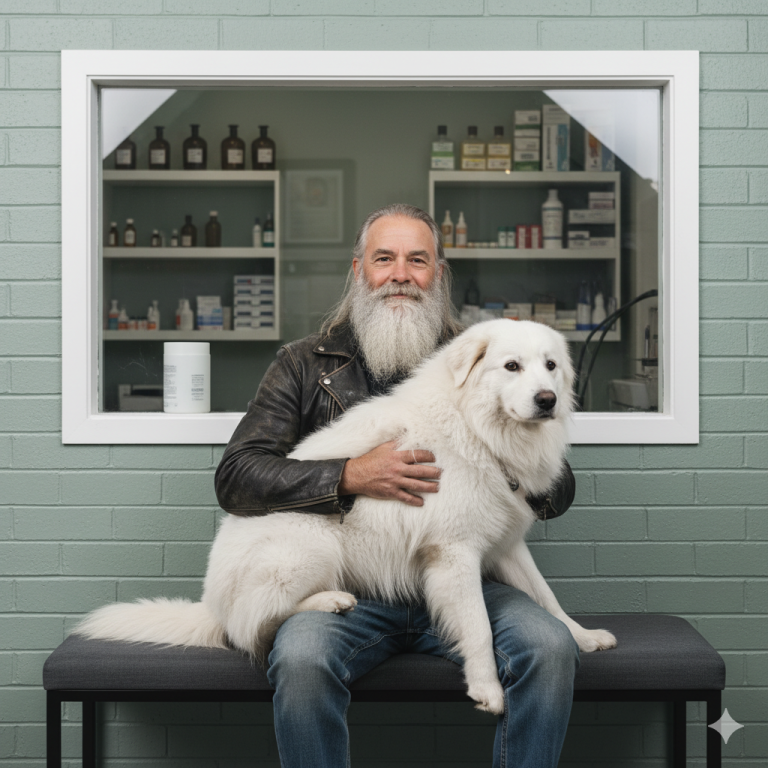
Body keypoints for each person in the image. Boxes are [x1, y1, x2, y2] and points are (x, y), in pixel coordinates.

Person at [215, 204, 578, 768]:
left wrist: (514, 460)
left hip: (465, 580)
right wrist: (348, 475)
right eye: (384, 259)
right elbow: (237, 477)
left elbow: (553, 491)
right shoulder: (304, 364)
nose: (400, 275)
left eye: (418, 260)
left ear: (439, 274)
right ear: (359, 270)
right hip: (354, 587)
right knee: (303, 659)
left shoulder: (486, 352)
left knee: (550, 649)